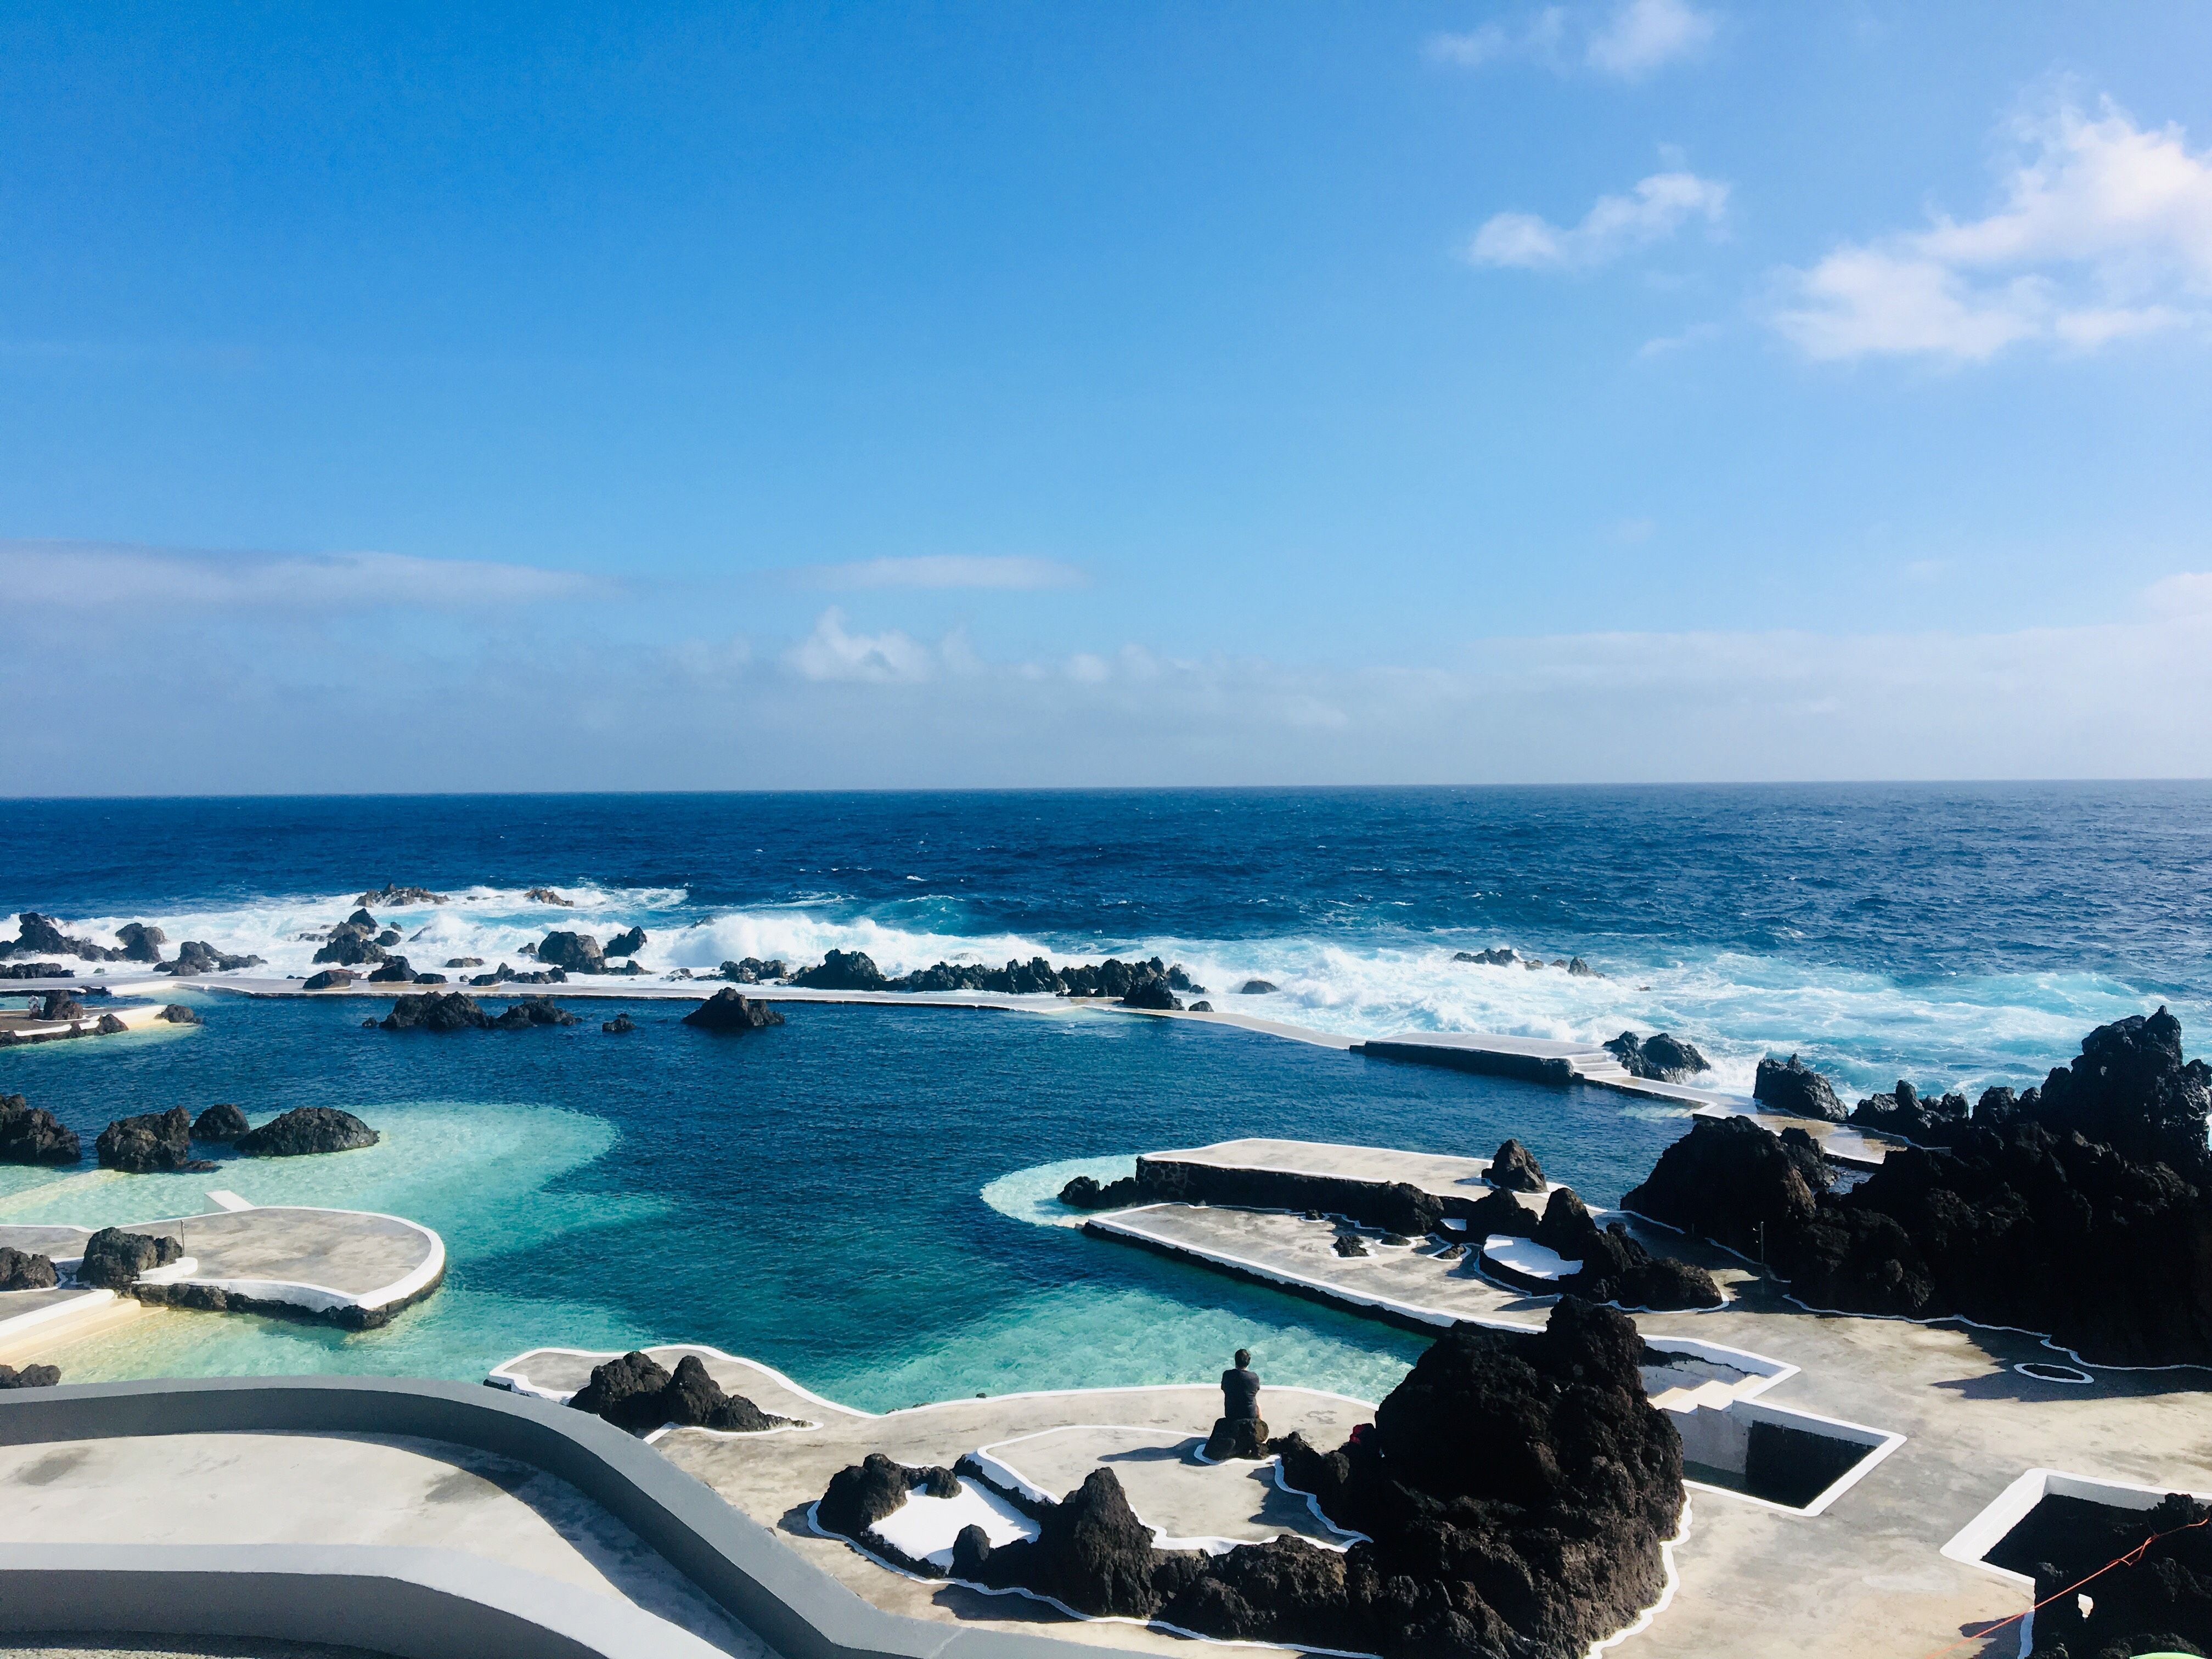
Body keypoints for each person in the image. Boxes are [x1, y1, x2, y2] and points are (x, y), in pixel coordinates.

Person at [1220, 1348, 1260, 1421]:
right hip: (1249, 1414)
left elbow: (1224, 1388)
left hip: (1231, 1413)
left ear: (1235, 1360)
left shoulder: (1227, 1375)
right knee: (1258, 1406)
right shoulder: (1254, 1377)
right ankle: (1259, 1428)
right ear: (1248, 1362)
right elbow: (1256, 1391)